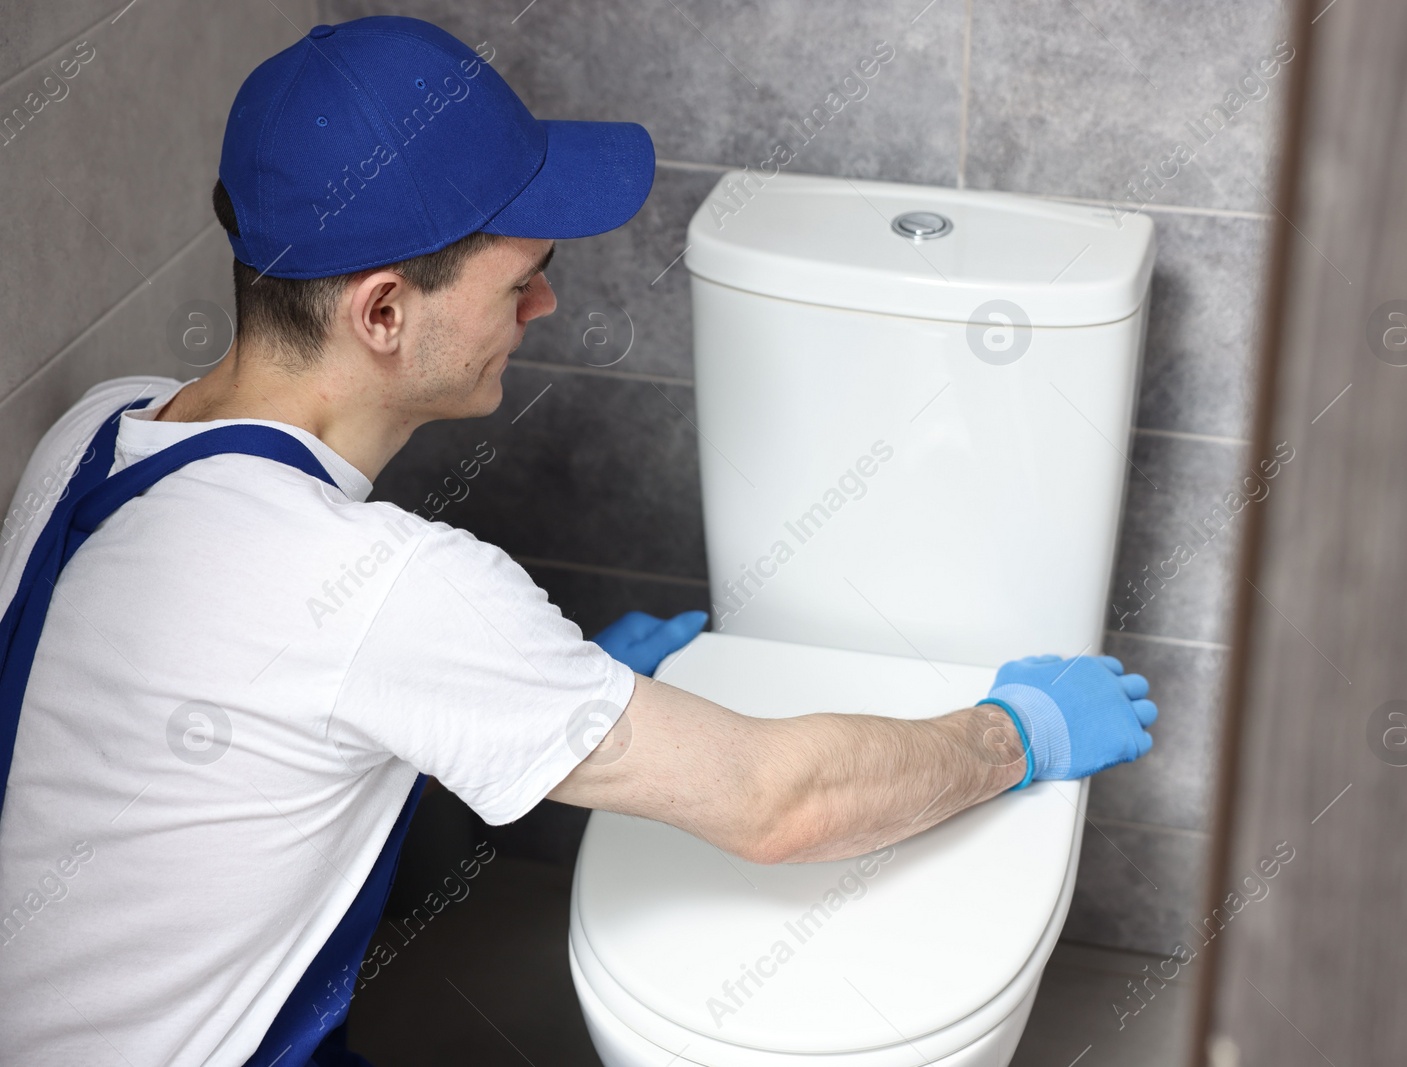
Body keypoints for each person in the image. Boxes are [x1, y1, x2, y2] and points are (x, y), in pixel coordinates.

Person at [0, 16, 1156, 1067]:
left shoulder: (98, 428)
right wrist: (1012, 734)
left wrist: (551, 702)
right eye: (522, 278)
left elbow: (277, 724)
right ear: (385, 312)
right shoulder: (393, 592)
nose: (544, 309)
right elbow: (776, 802)